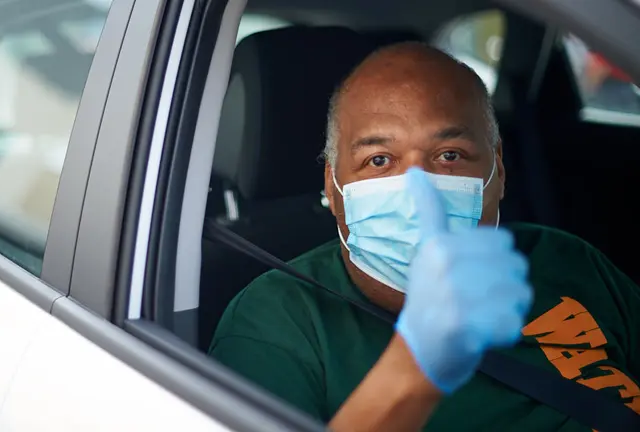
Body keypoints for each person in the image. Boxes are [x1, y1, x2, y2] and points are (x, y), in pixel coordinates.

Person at [208, 42, 640, 431]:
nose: (419, 190)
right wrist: (414, 370)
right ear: (333, 187)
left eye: (448, 155)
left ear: (498, 171)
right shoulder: (277, 323)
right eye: (379, 160)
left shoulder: (562, 258)